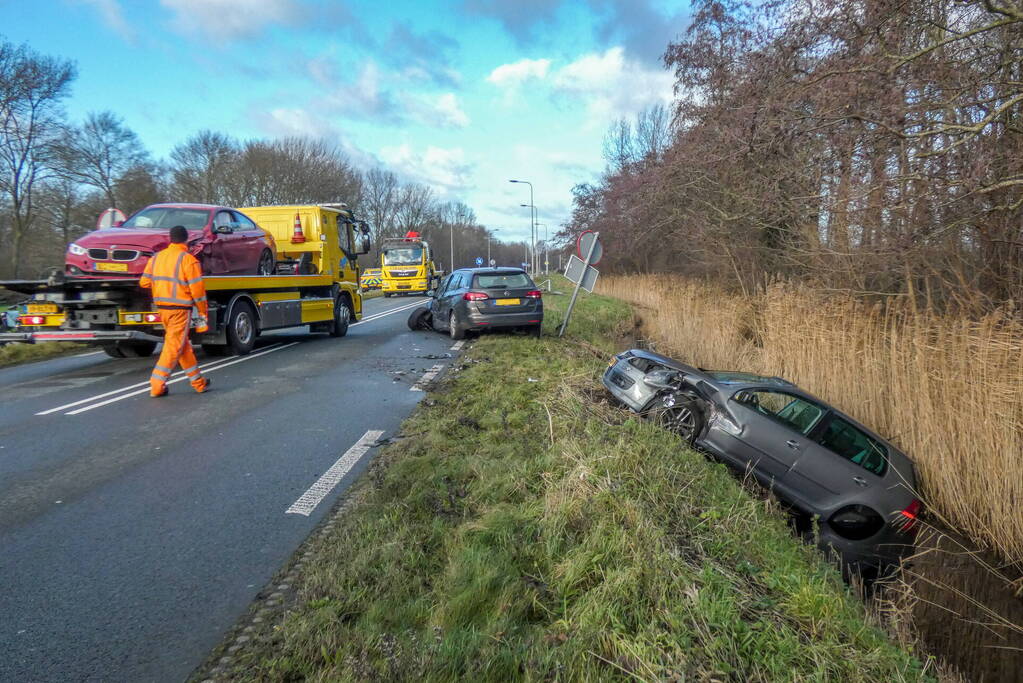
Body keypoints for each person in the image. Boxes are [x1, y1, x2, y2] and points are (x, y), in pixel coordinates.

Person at [139, 225, 211, 397]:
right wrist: (202, 314)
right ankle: (157, 384)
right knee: (173, 347)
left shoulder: (156, 258)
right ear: (186, 240)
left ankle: (199, 383)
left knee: (182, 346)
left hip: (162, 309)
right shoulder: (188, 260)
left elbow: (144, 282)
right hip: (180, 310)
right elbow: (198, 292)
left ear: (170, 239)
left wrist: (162, 288)